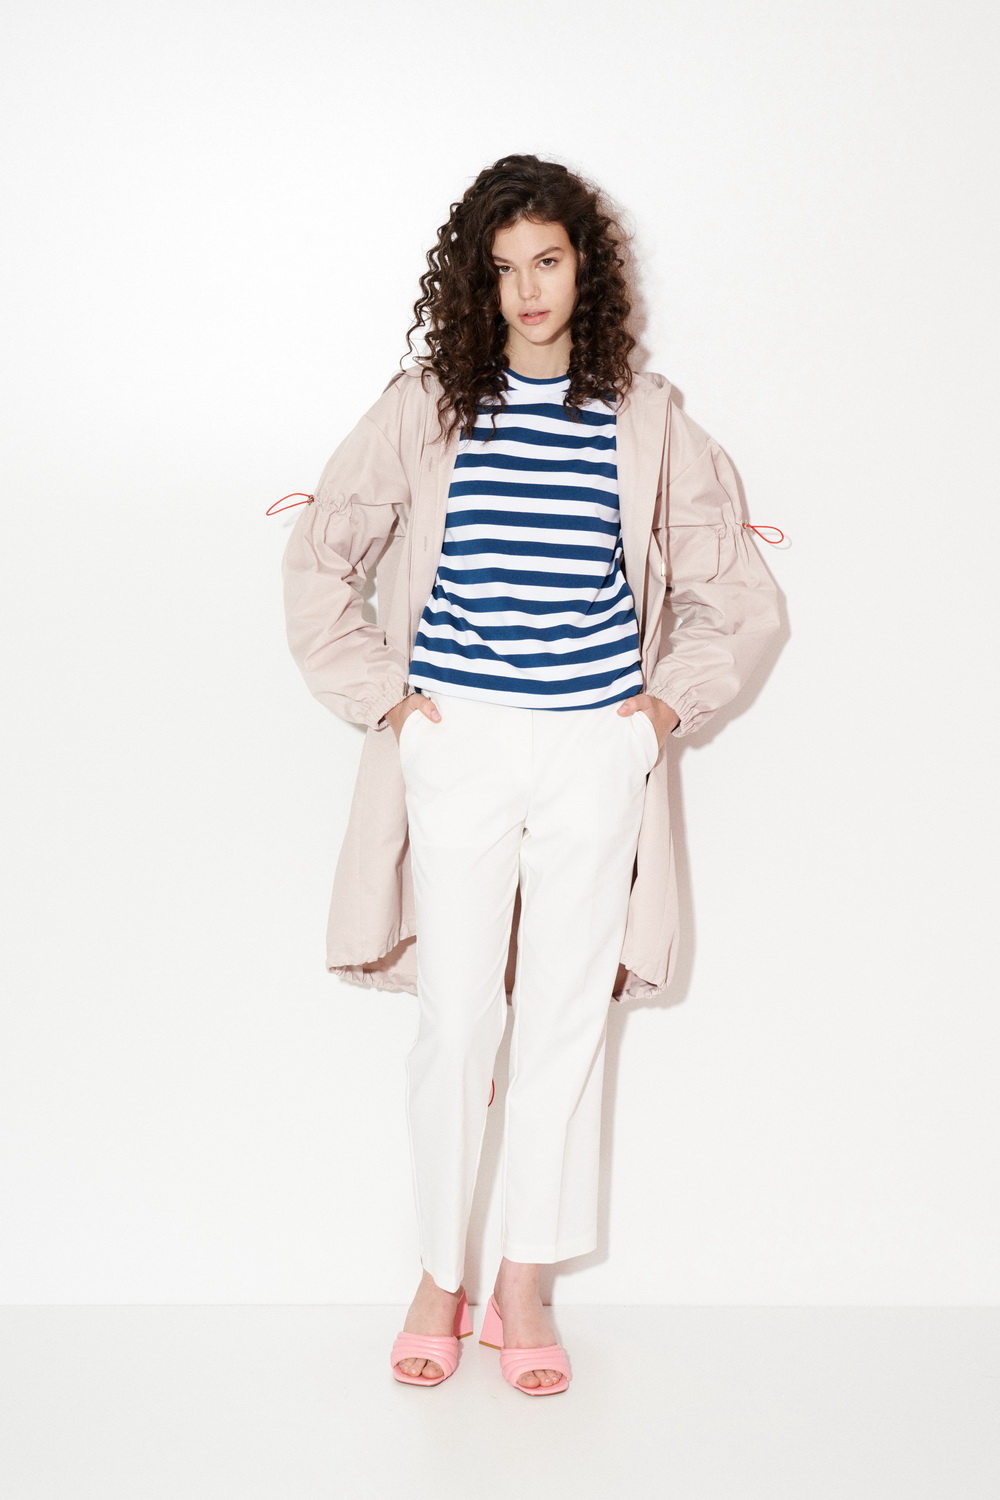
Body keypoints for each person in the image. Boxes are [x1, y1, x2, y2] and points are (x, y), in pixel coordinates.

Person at [280, 154, 781, 1395]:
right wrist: (391, 708)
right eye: (502, 269)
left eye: (547, 260)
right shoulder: (428, 406)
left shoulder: (643, 417)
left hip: (591, 750)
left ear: (584, 268)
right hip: (458, 743)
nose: (528, 289)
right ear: (477, 283)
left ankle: (521, 1285)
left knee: (563, 1018)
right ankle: (437, 1275)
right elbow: (320, 557)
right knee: (458, 1019)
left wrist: (651, 718)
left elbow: (732, 596)